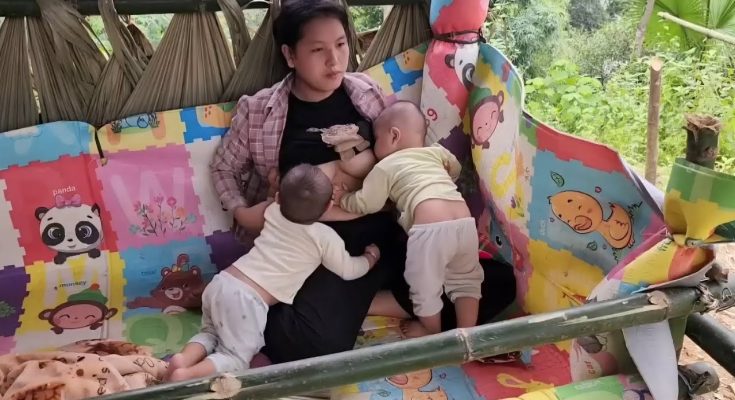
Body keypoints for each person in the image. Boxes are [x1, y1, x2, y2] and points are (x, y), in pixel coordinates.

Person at [209, 0, 409, 364]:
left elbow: (401, 155)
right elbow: (223, 168)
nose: (334, 61)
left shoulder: (366, 93)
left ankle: (367, 301)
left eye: (341, 44)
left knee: (486, 285)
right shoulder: (260, 110)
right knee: (310, 346)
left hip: (384, 233)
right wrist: (244, 212)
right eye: (318, 50)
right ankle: (260, 308)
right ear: (290, 55)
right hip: (315, 249)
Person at [168, 164, 381, 381]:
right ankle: (187, 374)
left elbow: (273, 202)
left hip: (222, 281)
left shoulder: (273, 212)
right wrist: (369, 259)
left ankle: (182, 359)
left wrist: (272, 188)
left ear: (278, 197)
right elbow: (348, 270)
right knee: (235, 358)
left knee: (211, 333)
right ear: (328, 206)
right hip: (247, 300)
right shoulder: (324, 237)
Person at [335, 101, 484, 338]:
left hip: (430, 228)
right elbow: (454, 169)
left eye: (377, 139)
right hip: (464, 221)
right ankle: (469, 334)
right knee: (466, 280)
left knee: (424, 286)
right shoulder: (436, 152)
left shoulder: (385, 166)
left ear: (394, 136)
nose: (374, 147)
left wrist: (344, 198)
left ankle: (430, 330)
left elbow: (367, 203)